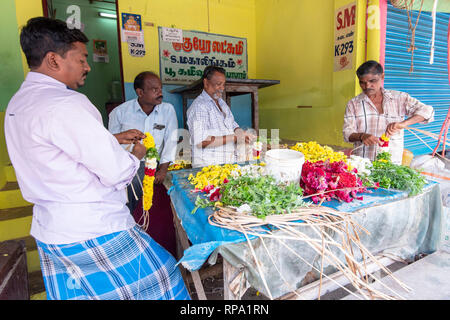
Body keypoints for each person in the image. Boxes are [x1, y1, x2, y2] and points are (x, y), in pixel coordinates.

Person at [5, 17, 189, 300]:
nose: (88, 66)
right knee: (165, 278)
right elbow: (115, 171)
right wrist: (136, 155)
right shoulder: (67, 104)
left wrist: (112, 141)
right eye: (81, 59)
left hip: (51, 229)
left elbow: (58, 149)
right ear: (54, 60)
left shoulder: (18, 104)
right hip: (92, 227)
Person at [108, 71, 178, 257]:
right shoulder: (120, 113)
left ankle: (155, 253)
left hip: (156, 169)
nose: (159, 92)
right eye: (154, 89)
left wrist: (163, 170)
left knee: (155, 217)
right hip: (128, 168)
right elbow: (110, 145)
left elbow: (171, 142)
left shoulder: (167, 110)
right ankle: (129, 252)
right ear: (140, 92)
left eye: (160, 88)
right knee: (130, 212)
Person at [343, 60, 434, 164]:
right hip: (363, 164)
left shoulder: (399, 98)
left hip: (392, 165)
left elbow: (428, 111)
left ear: (382, 77)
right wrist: (361, 136)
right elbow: (347, 133)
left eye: (372, 81)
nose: (367, 86)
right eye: (362, 82)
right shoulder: (353, 104)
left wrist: (403, 124)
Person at [186, 66, 255, 167]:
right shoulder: (199, 107)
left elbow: (232, 124)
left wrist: (243, 134)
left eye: (223, 84)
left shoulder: (222, 103)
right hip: (208, 166)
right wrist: (234, 137)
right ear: (206, 83)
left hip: (228, 162)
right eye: (218, 84)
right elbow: (201, 141)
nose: (222, 88)